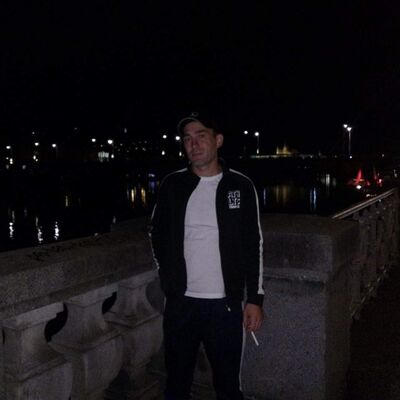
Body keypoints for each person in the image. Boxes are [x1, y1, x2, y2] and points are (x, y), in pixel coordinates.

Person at [150, 111, 264, 400]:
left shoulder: (240, 185)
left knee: (228, 386)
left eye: (201, 136)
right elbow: (156, 233)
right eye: (187, 138)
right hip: (181, 304)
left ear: (218, 140)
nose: (194, 144)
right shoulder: (172, 185)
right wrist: (167, 275)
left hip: (224, 306)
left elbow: (253, 244)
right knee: (176, 383)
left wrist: (255, 299)